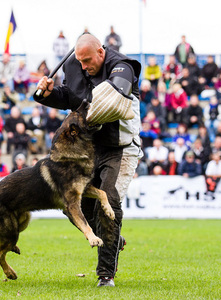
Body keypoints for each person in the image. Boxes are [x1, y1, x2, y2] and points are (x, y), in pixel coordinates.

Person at [34, 33, 141, 287]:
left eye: (88, 61)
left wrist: (82, 105)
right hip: (89, 150)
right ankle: (114, 237)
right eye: (79, 61)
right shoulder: (73, 64)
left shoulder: (122, 66)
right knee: (71, 204)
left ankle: (106, 275)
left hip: (120, 148)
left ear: (101, 53)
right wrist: (46, 94)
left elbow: (112, 96)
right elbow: (70, 99)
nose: (83, 67)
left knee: (110, 203)